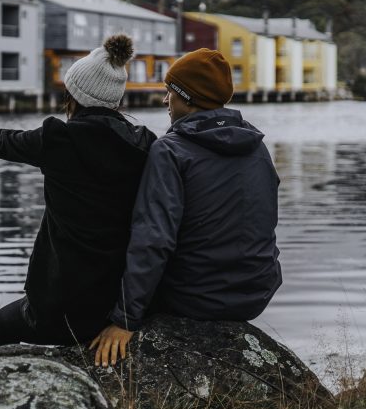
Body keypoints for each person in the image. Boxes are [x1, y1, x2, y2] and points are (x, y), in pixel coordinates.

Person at [0, 35, 157, 348]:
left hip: (62, 307)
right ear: (116, 100)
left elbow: (0, 139)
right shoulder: (144, 144)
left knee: (2, 324)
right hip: (119, 303)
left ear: (74, 95)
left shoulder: (60, 141)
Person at [90, 48, 282, 366]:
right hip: (256, 293)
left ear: (186, 98)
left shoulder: (170, 151)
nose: (165, 101)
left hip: (197, 299)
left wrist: (125, 319)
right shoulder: (256, 146)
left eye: (169, 92)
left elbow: (153, 238)